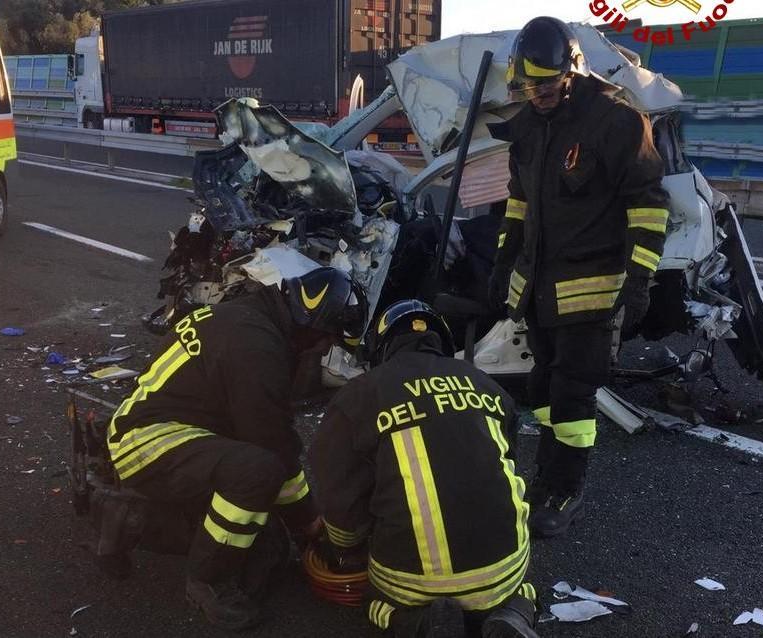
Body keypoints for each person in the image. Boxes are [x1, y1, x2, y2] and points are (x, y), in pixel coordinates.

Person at [104, 267, 368, 631]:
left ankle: (138, 519)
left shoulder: (250, 316)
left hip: (168, 431)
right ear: (310, 320)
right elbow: (272, 443)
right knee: (259, 472)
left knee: (262, 537)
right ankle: (206, 581)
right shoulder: (255, 344)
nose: (325, 348)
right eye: (327, 337)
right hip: (146, 439)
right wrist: (307, 521)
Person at [487, 17, 670, 538]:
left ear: (571, 70)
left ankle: (566, 489)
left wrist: (640, 277)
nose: (537, 94)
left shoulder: (614, 122)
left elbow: (648, 203)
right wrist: (505, 260)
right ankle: (546, 476)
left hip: (590, 287)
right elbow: (518, 202)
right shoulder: (525, 127)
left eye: (545, 83)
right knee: (542, 385)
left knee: (572, 393)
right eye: (528, 85)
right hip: (539, 288)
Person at [310, 300, 539, 638]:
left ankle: (420, 624)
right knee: (520, 587)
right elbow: (507, 464)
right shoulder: (486, 384)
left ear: (381, 348)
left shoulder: (358, 396)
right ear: (442, 342)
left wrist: (344, 549)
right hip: (503, 571)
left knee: (377, 603)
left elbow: (339, 490)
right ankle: (516, 609)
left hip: (412, 582)